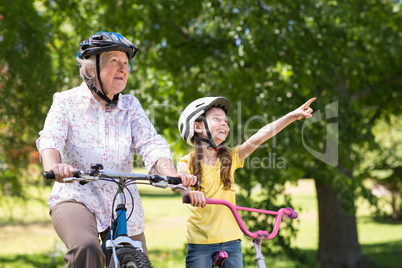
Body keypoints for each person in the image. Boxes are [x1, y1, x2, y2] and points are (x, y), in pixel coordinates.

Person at [36, 31, 197, 267]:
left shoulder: (130, 105)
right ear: (91, 69)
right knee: (87, 248)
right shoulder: (66, 102)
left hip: (123, 201)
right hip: (76, 196)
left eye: (126, 63)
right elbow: (51, 138)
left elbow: (151, 143)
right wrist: (54, 166)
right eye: (115, 62)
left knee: (135, 256)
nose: (123, 68)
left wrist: (170, 173)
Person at [177, 96, 315, 267]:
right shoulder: (186, 162)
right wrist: (190, 192)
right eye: (216, 119)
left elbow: (259, 137)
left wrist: (292, 116)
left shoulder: (230, 157)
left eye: (226, 121)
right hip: (201, 242)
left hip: (231, 240)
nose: (224, 124)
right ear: (197, 126)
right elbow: (179, 184)